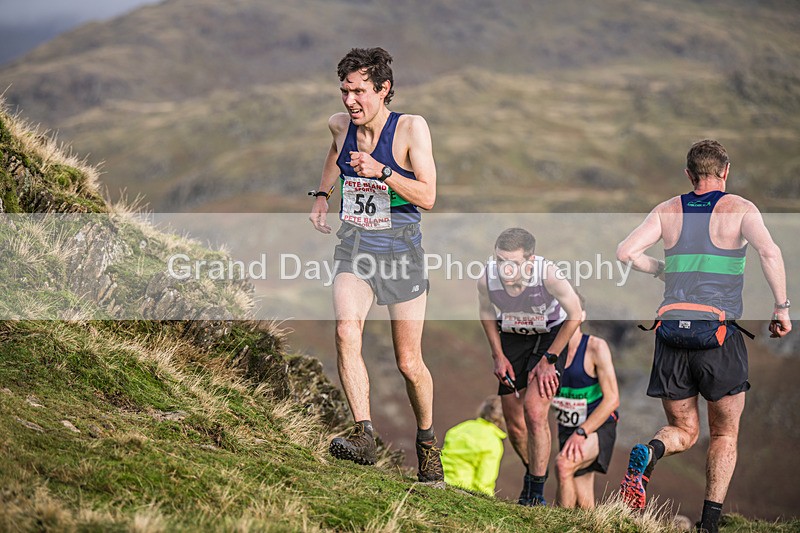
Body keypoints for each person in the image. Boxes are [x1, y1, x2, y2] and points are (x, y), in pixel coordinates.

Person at [616, 140, 791, 532]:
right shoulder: (741, 209)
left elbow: (625, 252)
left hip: (671, 335)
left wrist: (661, 269)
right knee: (725, 433)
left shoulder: (667, 210)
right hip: (718, 336)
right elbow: (770, 253)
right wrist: (781, 308)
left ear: (688, 174)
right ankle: (709, 524)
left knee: (684, 431)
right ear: (725, 170)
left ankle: (651, 449)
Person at [308, 47, 442, 484]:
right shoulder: (339, 124)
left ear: (383, 89)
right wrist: (323, 196)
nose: (351, 100)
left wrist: (382, 171)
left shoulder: (409, 128)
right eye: (345, 90)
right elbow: (334, 152)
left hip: (402, 253)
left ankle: (426, 443)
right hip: (356, 247)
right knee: (347, 330)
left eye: (360, 91)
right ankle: (364, 433)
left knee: (409, 362)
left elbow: (428, 197)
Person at [477, 227, 582, 505]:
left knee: (534, 412)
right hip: (512, 336)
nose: (504, 268)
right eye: (500, 260)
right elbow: (486, 311)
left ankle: (535, 495)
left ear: (531, 260)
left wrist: (550, 359)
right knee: (515, 424)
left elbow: (576, 315)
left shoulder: (548, 275)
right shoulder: (486, 277)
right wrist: (497, 355)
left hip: (549, 337)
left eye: (512, 263)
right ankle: (534, 471)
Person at [553, 292, 620, 509]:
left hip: (596, 425)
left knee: (563, 465)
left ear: (581, 315)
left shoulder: (595, 347)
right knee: (583, 501)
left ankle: (560, 526)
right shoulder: (550, 352)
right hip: (567, 426)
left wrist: (582, 433)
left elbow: (612, 400)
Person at [440, 395, 507, 497]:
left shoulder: (459, 428)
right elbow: (484, 481)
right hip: (464, 490)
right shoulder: (493, 442)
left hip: (440, 481)